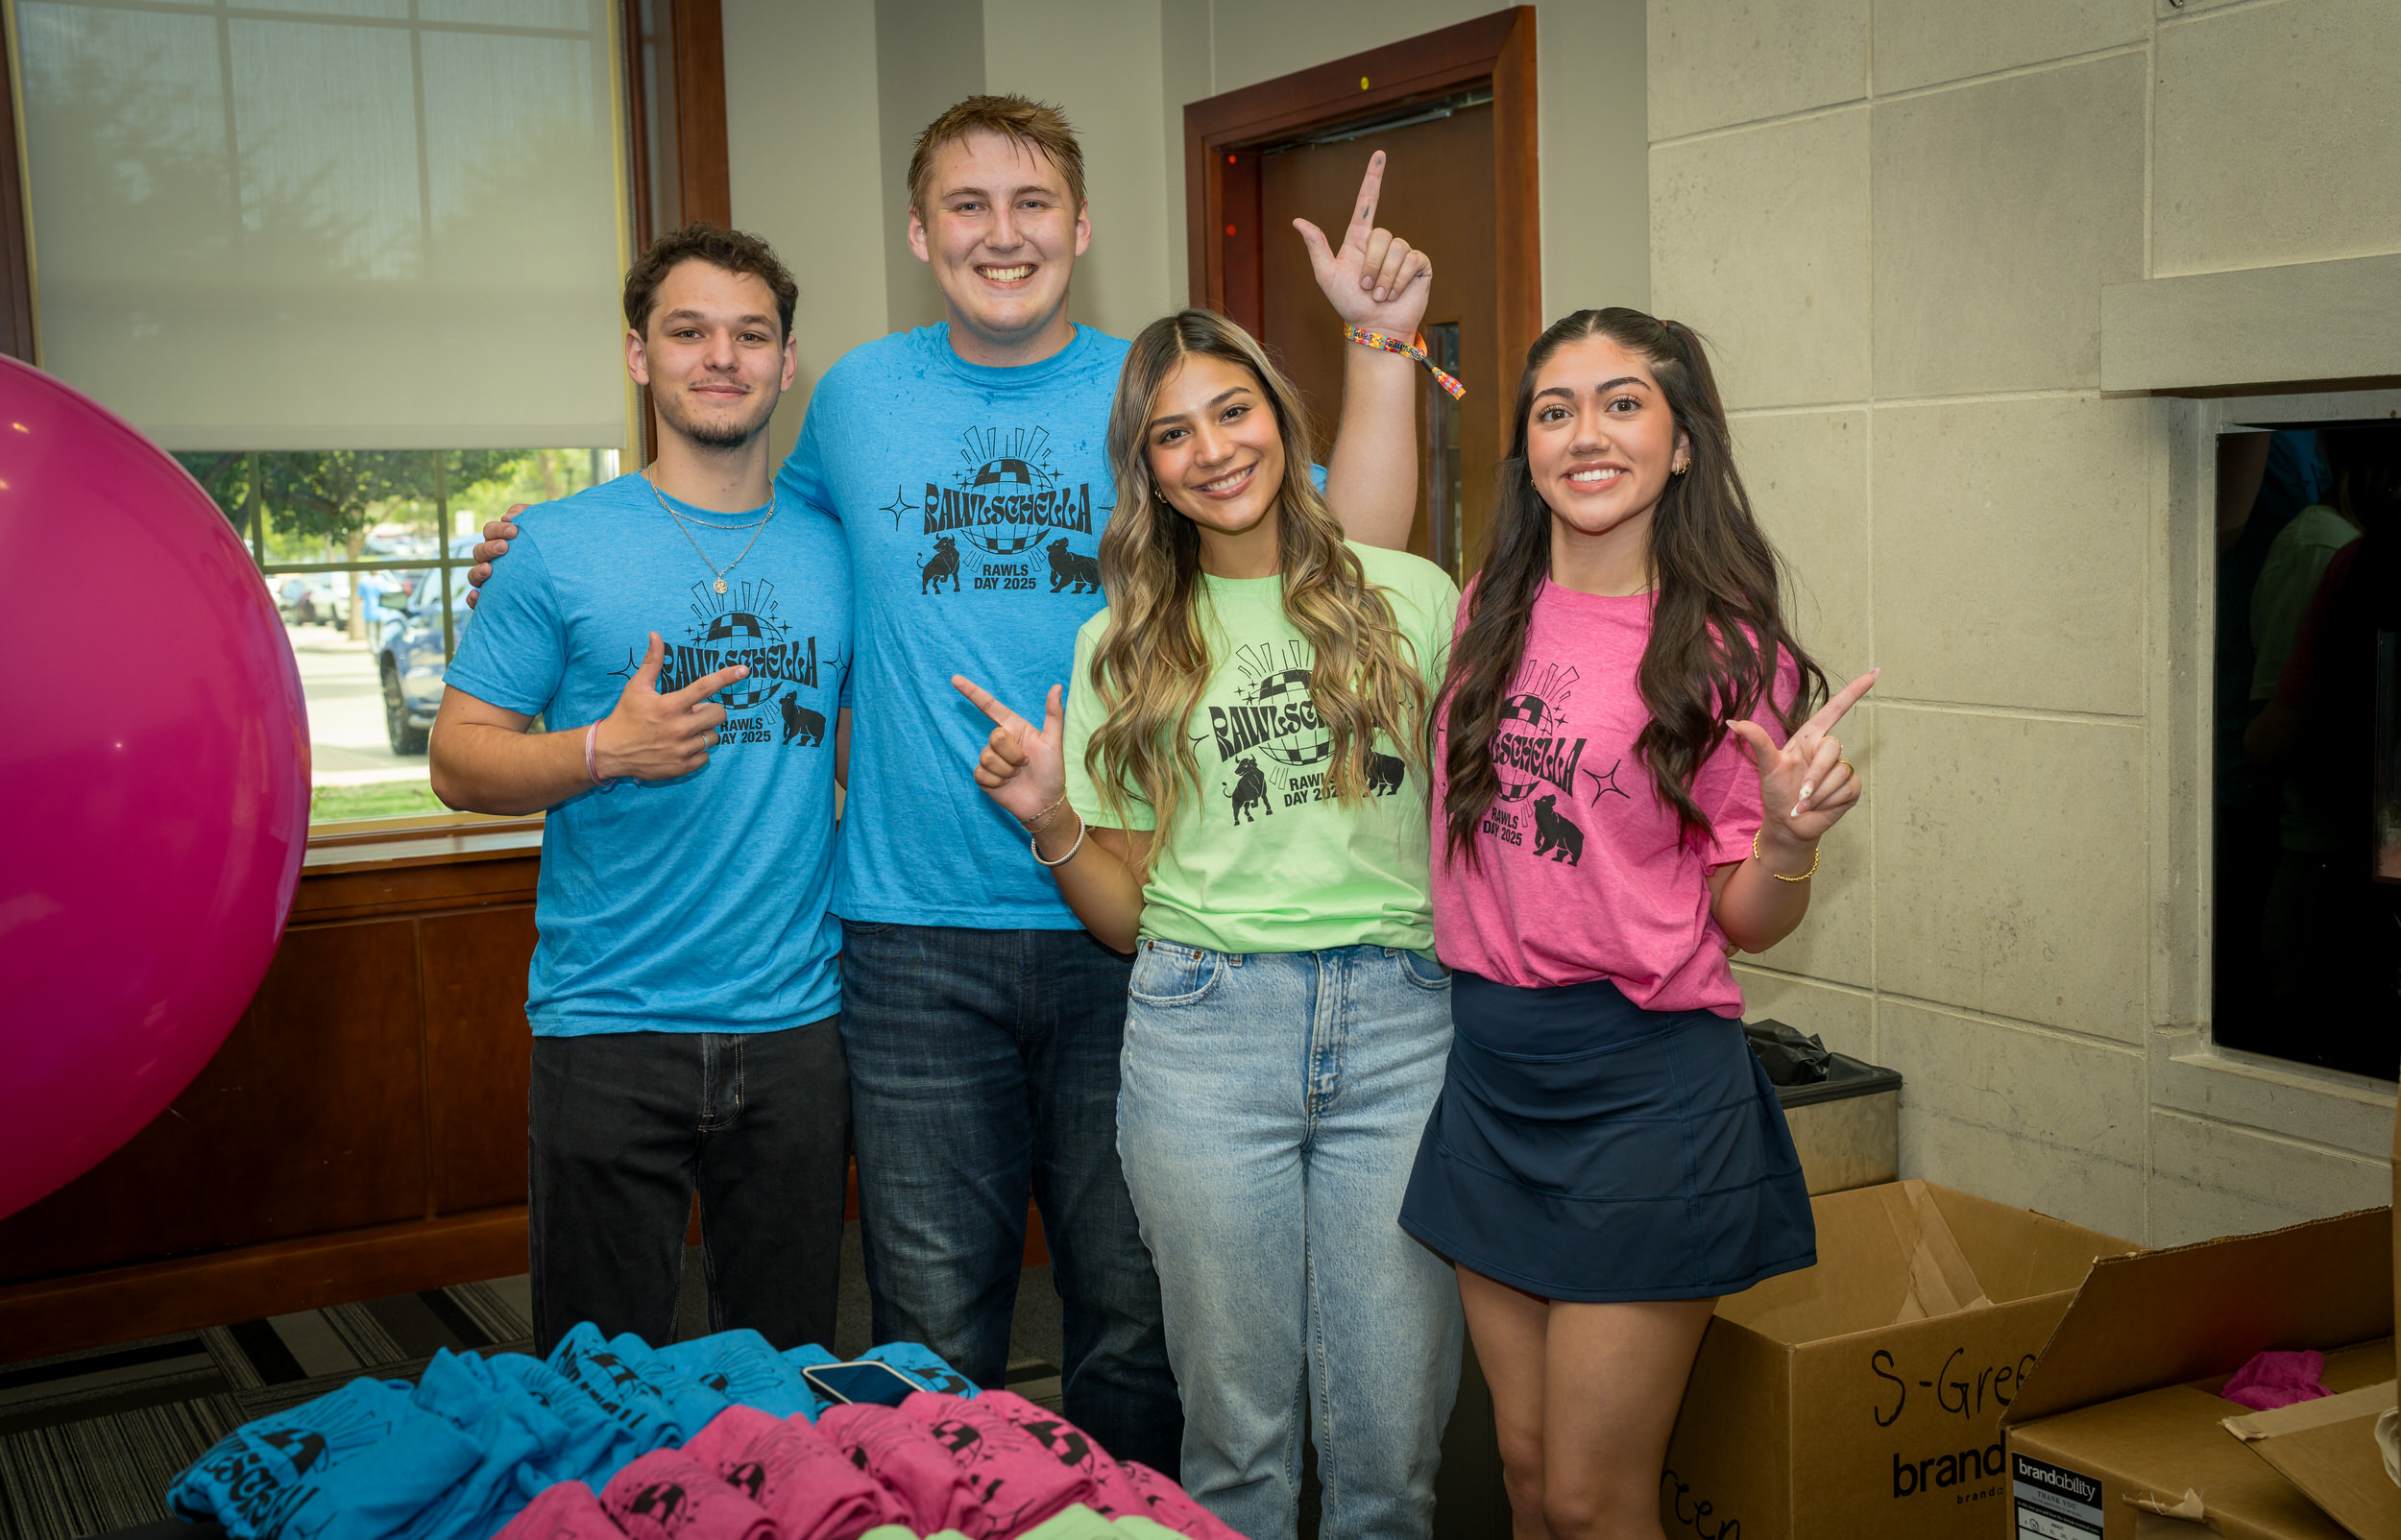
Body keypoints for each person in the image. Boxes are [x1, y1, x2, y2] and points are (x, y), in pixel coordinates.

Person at [465, 96, 1432, 1467]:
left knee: (1131, 1315)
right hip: (912, 944)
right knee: (927, 1327)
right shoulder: (857, 393)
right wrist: (561, 539)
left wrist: (1379, 347)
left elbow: (1358, 544)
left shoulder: (1148, 393)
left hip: (1141, 925)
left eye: (1033, 202)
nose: (1002, 232)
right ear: (919, 234)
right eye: (966, 206)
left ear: (1082, 228)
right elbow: (737, 515)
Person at [953, 307, 1464, 1540]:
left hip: (1403, 1031)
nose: (1213, 449)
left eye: (1232, 411)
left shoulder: (1413, 596)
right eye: (1172, 433)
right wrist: (1050, 815)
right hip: (1202, 1032)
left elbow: (1480, 829)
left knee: (1390, 1453)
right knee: (1234, 1441)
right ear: (1147, 469)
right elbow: (1124, 919)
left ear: (1282, 420)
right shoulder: (1120, 643)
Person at [1399, 308, 1874, 1540]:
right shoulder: (1481, 613)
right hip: (1494, 1074)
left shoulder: (1728, 650)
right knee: (1517, 1464)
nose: (1584, 432)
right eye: (1554, 408)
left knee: (1594, 1497)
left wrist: (1786, 839)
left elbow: (1746, 921)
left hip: (1645, 1090)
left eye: (1622, 403)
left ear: (1679, 447)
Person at [428, 225, 852, 1356]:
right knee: (598, 1380)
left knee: (784, 1378)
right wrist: (601, 751)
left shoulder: (840, 550)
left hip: (798, 1026)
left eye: (749, 333)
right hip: (609, 1023)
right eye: (689, 330)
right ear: (638, 356)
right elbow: (457, 760)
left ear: (787, 358)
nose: (722, 356)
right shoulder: (555, 546)